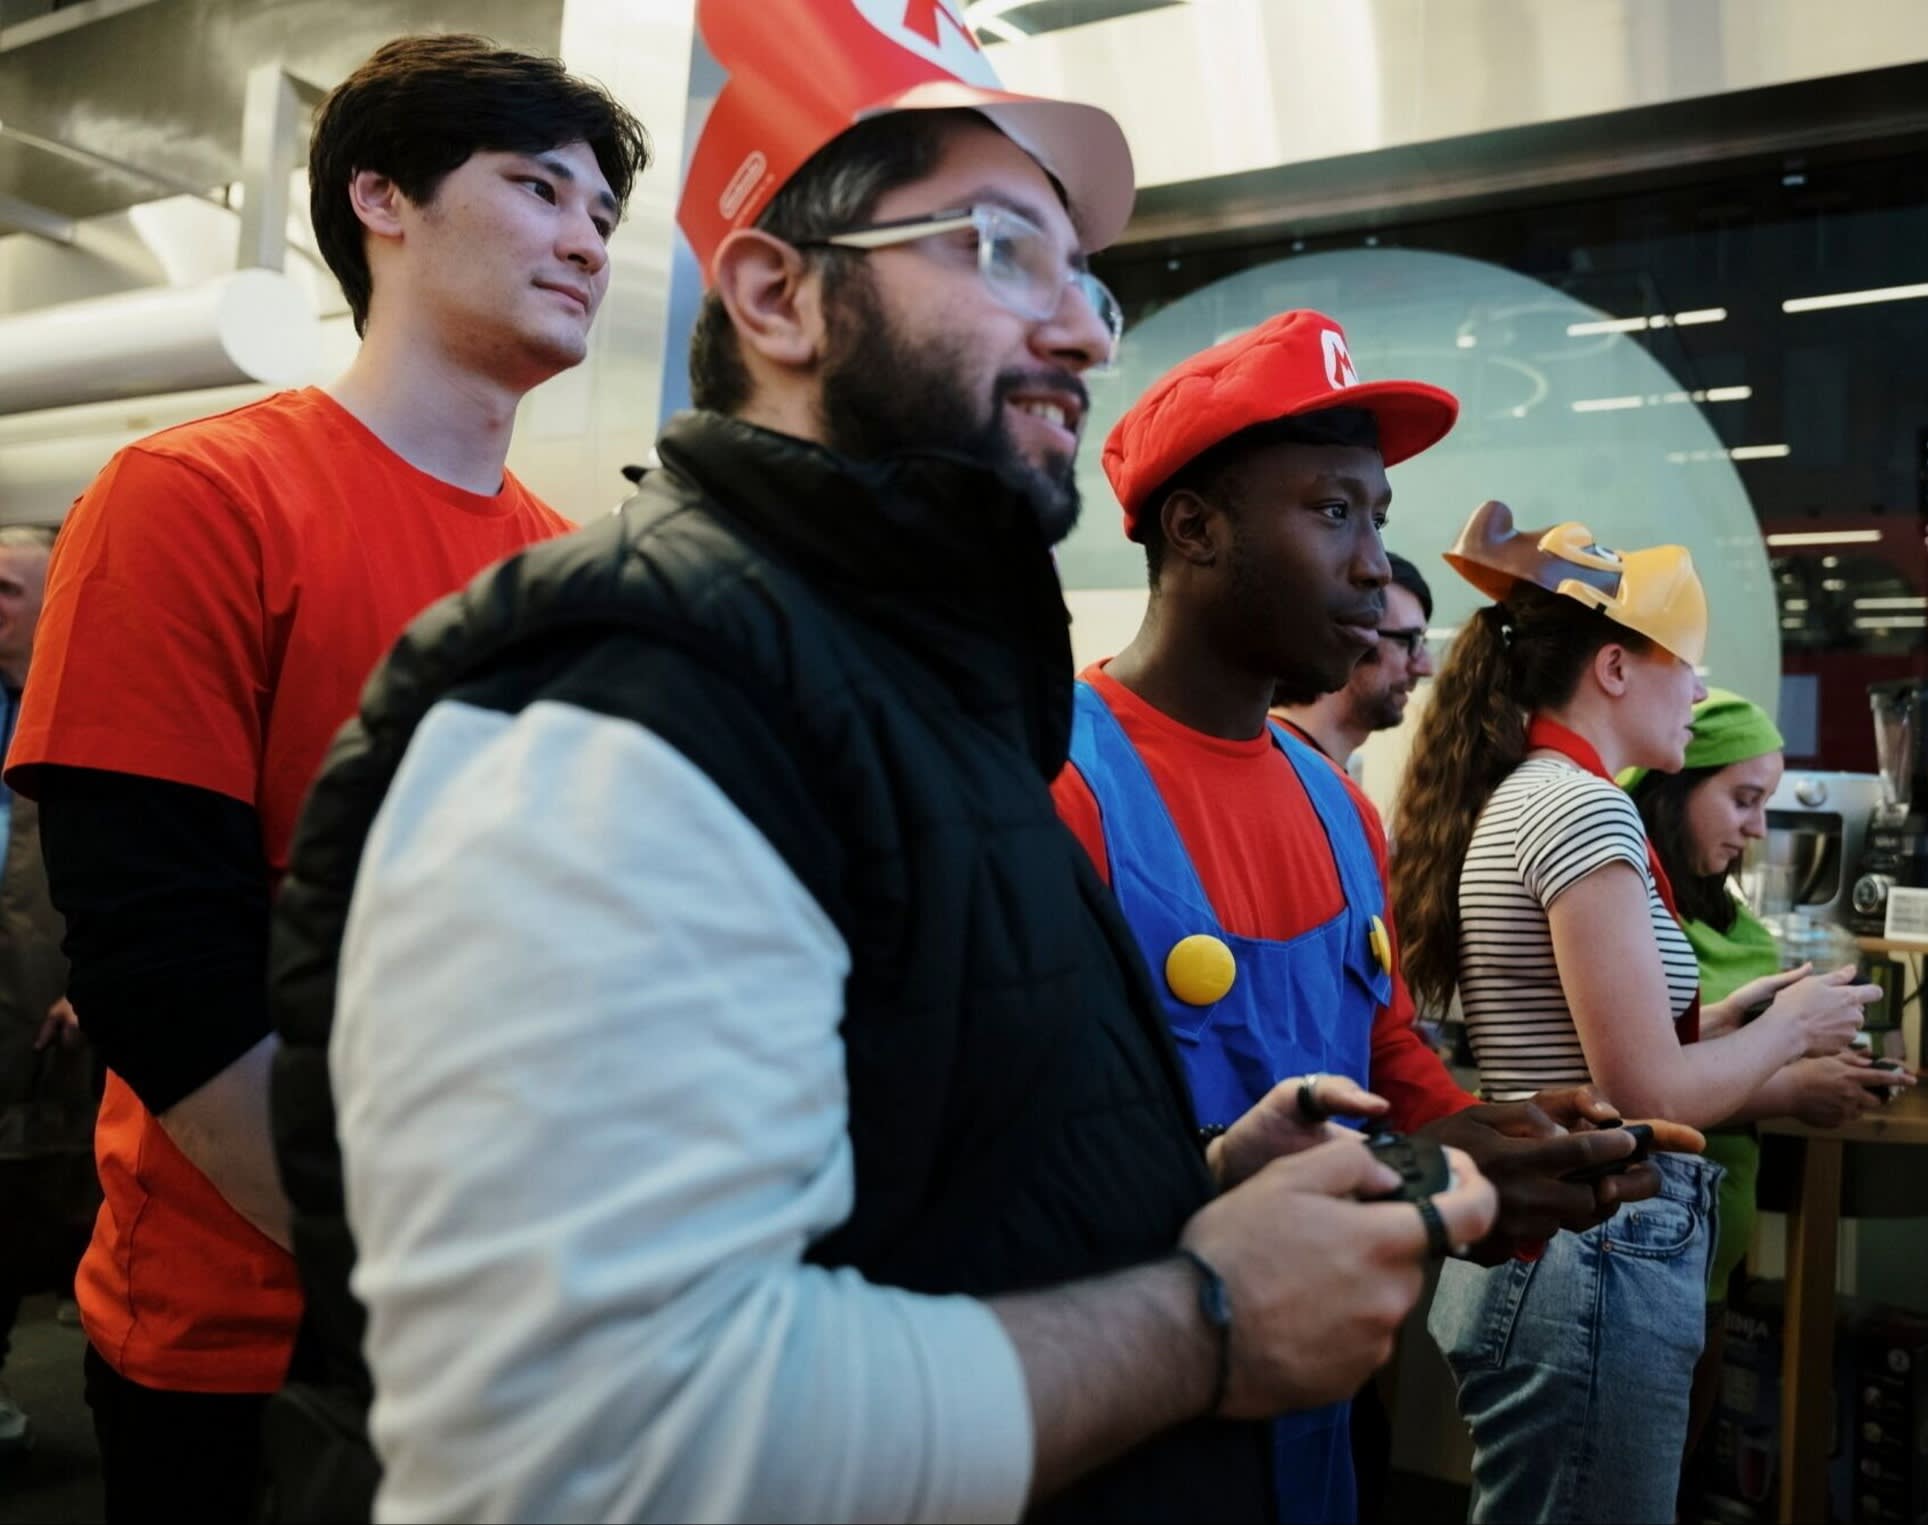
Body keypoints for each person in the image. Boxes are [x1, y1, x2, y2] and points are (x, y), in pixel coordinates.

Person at [265, 6, 1499, 1520]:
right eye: (993, 247)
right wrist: (1205, 1319)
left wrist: (1186, 1188)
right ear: (777, 298)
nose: (1073, 331)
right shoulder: (632, 691)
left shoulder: (918, 696)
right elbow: (586, 1445)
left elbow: (911, 1184)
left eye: (1081, 280)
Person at [1, 36, 647, 1522]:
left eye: (603, 217)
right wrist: (394, 1266)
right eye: (538, 187)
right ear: (379, 197)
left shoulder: (570, 568)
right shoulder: (198, 496)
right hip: (259, 1333)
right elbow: (163, 964)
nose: (583, 240)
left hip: (522, 1317)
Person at [1062, 311, 1698, 1524]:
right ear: (1192, 528)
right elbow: (1041, 1177)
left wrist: (1490, 1140)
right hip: (1133, 1420)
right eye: (1330, 512)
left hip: (1318, 1419)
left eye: (1379, 518)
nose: (1370, 566)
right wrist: (1426, 1165)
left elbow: (1384, 1050)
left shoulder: (1337, 805)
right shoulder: (1059, 791)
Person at [1388, 506, 1878, 1524]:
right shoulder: (1582, 806)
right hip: (1594, 1253)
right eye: (1685, 663)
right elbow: (1641, 1090)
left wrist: (1739, 1014)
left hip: (1561, 1254)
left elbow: (1592, 1044)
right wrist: (1792, 1030)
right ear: (1614, 667)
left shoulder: (1537, 793)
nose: (1700, 691)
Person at [1622, 689, 1914, 1467]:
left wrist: (1830, 1061)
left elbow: (1717, 1048)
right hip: (1633, 1247)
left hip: (1710, 1249)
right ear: (1676, 787)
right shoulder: (1626, 912)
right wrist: (1790, 1085)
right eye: (1743, 799)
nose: (1757, 827)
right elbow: (1641, 1082)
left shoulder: (1734, 921)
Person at [0, 525, 96, 1459]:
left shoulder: (88, 704)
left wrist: (89, 983)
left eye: (6, 590)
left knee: (48, 1184)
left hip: (58, 997)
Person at [1271, 552, 1437, 777]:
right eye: (1406, 641)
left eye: (1423, 642)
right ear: (1344, 639)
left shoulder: (1312, 775)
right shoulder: (1283, 779)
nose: (1425, 668)